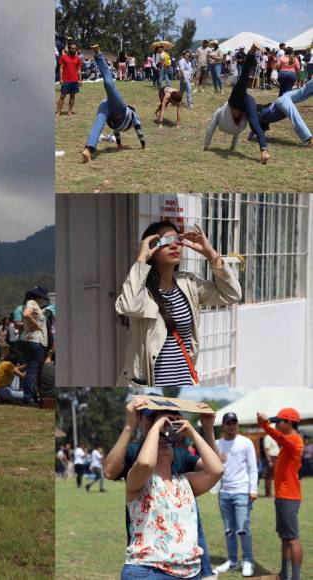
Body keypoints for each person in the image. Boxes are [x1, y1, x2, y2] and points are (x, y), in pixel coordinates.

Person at [105, 397, 220, 580]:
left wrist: (204, 428)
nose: (161, 421)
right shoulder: (135, 452)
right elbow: (125, 468)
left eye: (165, 416)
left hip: (188, 567)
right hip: (149, 562)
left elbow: (216, 468)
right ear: (140, 418)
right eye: (153, 416)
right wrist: (133, 425)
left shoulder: (179, 457)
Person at [115, 221, 241, 386]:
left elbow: (232, 294)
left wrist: (210, 253)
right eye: (166, 241)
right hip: (152, 386)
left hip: (184, 384)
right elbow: (129, 306)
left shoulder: (188, 283)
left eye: (177, 240)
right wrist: (141, 259)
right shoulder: (140, 289)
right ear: (151, 249)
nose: (174, 245)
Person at [257, 408, 304, 580]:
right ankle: (284, 574)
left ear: (289, 423)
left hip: (289, 497)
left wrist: (264, 424)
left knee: (293, 539)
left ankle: (295, 577)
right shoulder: (289, 441)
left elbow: (277, 436)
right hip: (284, 496)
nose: (276, 424)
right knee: (285, 538)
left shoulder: (294, 440)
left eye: (279, 421)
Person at [205, 46, 271, 164]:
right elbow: (236, 133)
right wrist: (233, 147)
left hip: (236, 102)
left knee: (242, 81)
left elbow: (210, 128)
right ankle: (264, 151)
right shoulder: (233, 123)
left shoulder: (220, 112)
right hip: (245, 102)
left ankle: (251, 52)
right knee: (255, 124)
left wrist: (206, 146)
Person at [81, 44, 145, 163]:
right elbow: (139, 133)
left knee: (99, 123)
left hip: (110, 108)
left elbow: (119, 133)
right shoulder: (132, 117)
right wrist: (143, 146)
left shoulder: (131, 115)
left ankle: (88, 148)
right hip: (115, 112)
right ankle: (87, 150)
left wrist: (123, 145)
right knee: (109, 85)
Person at [214, 412, 258, 577]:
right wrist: (218, 460)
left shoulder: (246, 443)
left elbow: (253, 468)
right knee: (228, 530)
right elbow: (212, 467)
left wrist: (253, 489)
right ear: (223, 425)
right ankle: (232, 560)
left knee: (243, 529)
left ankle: (247, 561)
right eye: (228, 423)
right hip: (224, 492)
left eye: (234, 422)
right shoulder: (217, 444)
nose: (231, 426)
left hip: (242, 492)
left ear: (237, 424)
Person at [250, 79, 313, 147]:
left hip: (282, 102)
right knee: (303, 91)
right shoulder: (262, 115)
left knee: (294, 115)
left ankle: (309, 138)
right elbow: (257, 130)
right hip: (284, 98)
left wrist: (249, 138)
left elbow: (256, 129)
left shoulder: (259, 115)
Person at [20, 286, 49, 405]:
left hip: (30, 340)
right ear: (40, 297)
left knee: (31, 368)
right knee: (33, 369)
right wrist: (36, 324)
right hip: (35, 340)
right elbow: (26, 314)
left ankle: (29, 395)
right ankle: (29, 397)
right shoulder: (32, 303)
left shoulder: (34, 304)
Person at [56, 41, 82, 117]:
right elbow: (61, 68)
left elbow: (79, 69)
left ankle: (69, 112)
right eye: (72, 48)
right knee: (62, 96)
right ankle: (58, 112)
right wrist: (61, 79)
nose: (74, 50)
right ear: (69, 49)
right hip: (66, 80)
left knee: (72, 96)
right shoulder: (63, 57)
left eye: (75, 48)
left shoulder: (78, 58)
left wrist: (80, 79)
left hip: (74, 80)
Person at [264, 432, 281, 497]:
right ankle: (269, 493)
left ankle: (273, 493)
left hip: (275, 457)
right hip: (272, 457)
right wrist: (269, 460)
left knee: (274, 476)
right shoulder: (268, 437)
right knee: (270, 477)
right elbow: (267, 449)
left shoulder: (273, 437)